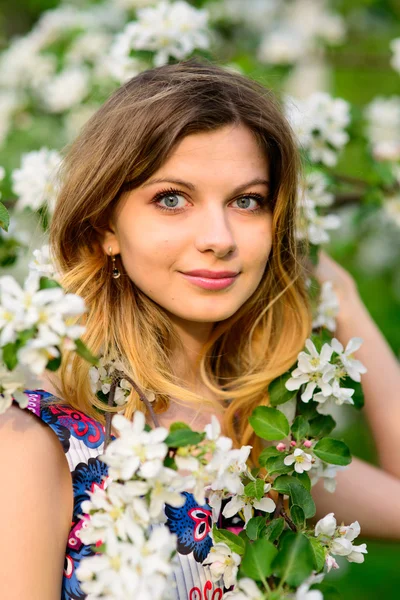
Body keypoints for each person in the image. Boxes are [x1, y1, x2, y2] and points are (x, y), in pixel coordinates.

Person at [0, 59, 399, 600]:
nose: (219, 237)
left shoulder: (259, 447)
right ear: (105, 227)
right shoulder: (42, 442)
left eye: (247, 201)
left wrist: (343, 298)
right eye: (172, 199)